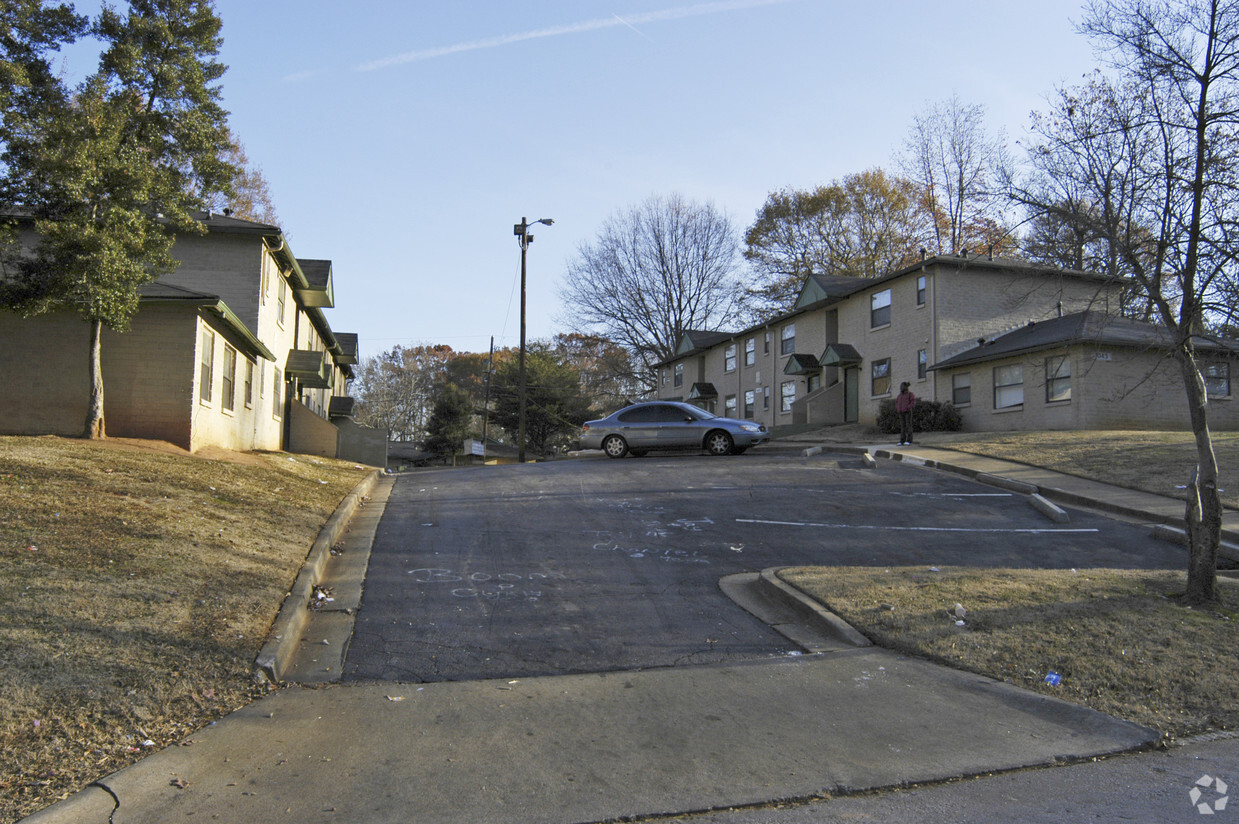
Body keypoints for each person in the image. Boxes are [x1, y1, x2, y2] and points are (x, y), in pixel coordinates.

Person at [895, 381, 916, 446]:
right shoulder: (899, 396)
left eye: (902, 386)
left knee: (908, 426)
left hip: (907, 412)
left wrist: (908, 407)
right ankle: (902, 440)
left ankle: (909, 440)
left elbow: (913, 402)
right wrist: (898, 409)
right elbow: (897, 403)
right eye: (901, 386)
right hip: (901, 412)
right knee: (902, 427)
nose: (901, 388)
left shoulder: (910, 394)